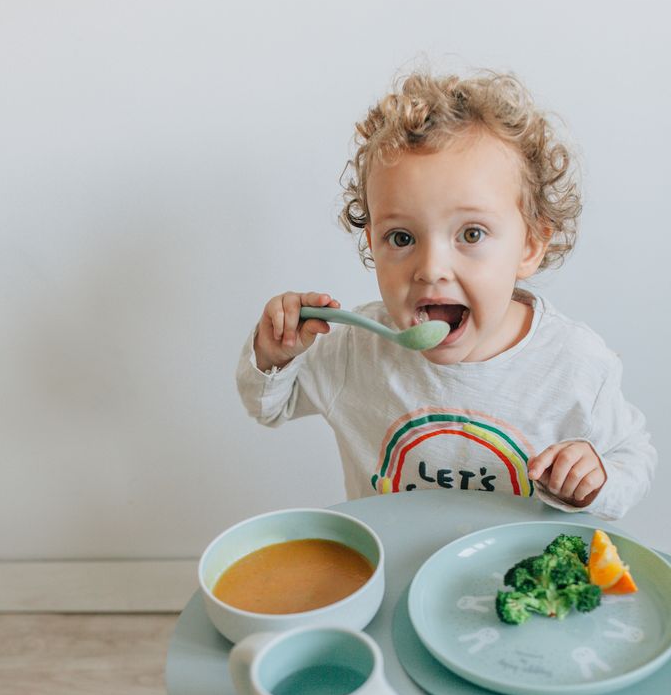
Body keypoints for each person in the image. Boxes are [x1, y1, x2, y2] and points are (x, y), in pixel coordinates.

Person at [236, 69, 656, 519]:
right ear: (372, 242)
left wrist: (596, 479)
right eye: (401, 238)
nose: (431, 269)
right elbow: (269, 407)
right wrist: (275, 353)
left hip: (513, 580)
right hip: (393, 572)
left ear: (531, 245)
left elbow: (634, 458)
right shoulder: (356, 349)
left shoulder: (575, 365)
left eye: (471, 233)